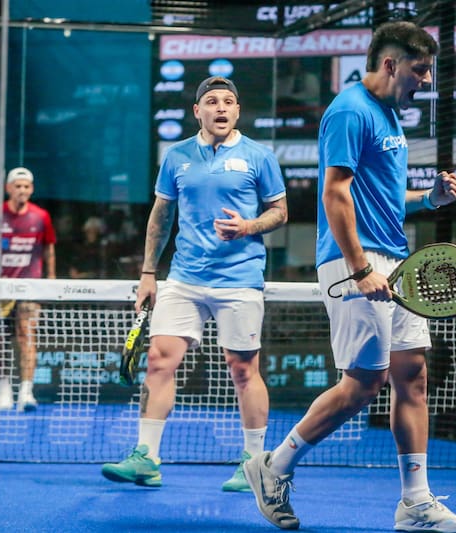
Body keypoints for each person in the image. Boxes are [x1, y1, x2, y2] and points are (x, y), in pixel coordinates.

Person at [244, 21, 456, 532]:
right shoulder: (350, 110)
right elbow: (335, 194)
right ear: (390, 64)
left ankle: (415, 505)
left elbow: (384, 198)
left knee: (411, 376)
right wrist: (359, 268)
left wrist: (428, 200)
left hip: (393, 257)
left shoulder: (391, 115)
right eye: (419, 71)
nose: (425, 81)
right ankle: (273, 466)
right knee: (364, 383)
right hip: (357, 262)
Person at [100, 76, 288, 492]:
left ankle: (254, 463)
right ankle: (146, 457)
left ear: (237, 111)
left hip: (240, 279)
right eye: (211, 101)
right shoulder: (177, 156)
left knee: (243, 369)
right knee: (159, 361)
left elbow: (280, 212)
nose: (221, 107)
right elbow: (161, 216)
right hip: (184, 277)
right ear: (197, 111)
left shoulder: (259, 156)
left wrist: (249, 226)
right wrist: (149, 272)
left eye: (229, 101)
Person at [0, 167, 57, 411]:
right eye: (17, 186)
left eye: (26, 186)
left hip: (30, 288)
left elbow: (49, 247)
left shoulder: (41, 216)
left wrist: (51, 279)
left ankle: (26, 393)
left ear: (31, 189)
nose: (22, 190)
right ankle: (4, 389)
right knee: (0, 340)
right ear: (9, 189)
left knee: (27, 336)